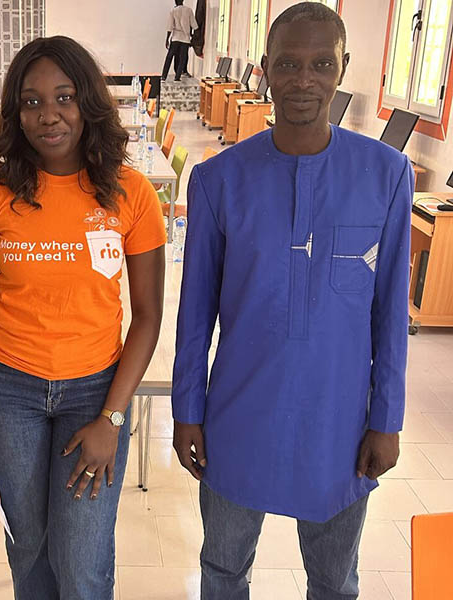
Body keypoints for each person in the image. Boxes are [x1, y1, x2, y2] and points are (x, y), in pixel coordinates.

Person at [172, 4, 410, 599]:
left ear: (343, 69)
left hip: (338, 419)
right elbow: (195, 313)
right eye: (288, 64)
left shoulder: (385, 175)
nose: (304, 79)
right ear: (265, 71)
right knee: (223, 570)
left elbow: (389, 314)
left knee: (334, 580)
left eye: (322, 63)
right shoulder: (219, 179)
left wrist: (387, 420)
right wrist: (187, 410)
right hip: (238, 414)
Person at [0, 36, 166, 600]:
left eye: (64, 97)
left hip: (95, 390)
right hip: (7, 389)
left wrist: (112, 419)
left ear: (88, 102)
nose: (49, 115)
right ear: (15, 113)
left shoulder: (131, 194)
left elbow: (147, 316)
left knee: (85, 555)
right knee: (28, 545)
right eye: (32, 101)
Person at [162, 0, 198, 81]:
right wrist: (192, 36)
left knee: (169, 57)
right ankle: (177, 77)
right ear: (182, 1)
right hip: (185, 38)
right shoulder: (188, 10)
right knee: (183, 58)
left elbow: (170, 26)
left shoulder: (173, 11)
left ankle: (164, 75)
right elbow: (194, 25)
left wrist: (167, 39)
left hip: (175, 37)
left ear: (175, 2)